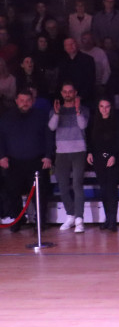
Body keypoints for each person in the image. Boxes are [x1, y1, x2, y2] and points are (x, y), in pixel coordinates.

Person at [0, 90, 54, 231]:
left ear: (32, 101)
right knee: (13, 192)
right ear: (16, 101)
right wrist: (2, 156)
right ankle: (18, 219)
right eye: (22, 100)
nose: (25, 103)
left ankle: (40, 221)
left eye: (27, 100)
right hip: (13, 162)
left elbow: (49, 137)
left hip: (37, 161)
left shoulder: (41, 116)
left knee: (40, 192)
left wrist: (48, 155)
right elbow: (1, 138)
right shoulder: (6, 118)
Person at [49, 83, 89, 233]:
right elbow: (52, 127)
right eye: (65, 91)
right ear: (61, 93)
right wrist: (57, 113)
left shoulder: (83, 109)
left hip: (79, 150)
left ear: (75, 92)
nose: (67, 94)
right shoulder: (55, 110)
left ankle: (79, 219)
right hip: (61, 152)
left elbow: (83, 125)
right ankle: (70, 214)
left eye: (70, 91)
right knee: (63, 185)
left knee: (77, 184)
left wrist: (78, 110)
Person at [88, 98, 119, 231]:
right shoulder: (94, 121)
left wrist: (114, 155)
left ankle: (113, 220)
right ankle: (107, 218)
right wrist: (90, 152)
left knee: (111, 188)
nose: (104, 109)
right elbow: (90, 139)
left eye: (107, 106)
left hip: (114, 158)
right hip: (99, 159)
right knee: (103, 189)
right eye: (101, 106)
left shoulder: (117, 121)